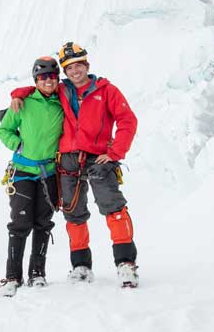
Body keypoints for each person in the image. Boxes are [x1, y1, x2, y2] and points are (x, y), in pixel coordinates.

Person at [10, 42, 139, 288]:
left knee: (113, 206)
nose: (75, 71)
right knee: (73, 212)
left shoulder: (107, 90)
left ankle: (126, 264)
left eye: (79, 65)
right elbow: (38, 88)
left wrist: (114, 153)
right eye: (69, 67)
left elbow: (127, 120)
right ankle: (80, 266)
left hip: (99, 157)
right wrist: (17, 93)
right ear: (65, 72)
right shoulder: (61, 89)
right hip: (68, 159)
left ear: (87, 66)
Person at [0, 56, 64, 297]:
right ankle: (13, 276)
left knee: (43, 223)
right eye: (43, 77)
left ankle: (38, 273)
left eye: (52, 76)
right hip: (23, 171)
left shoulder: (62, 103)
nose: (48, 81)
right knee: (20, 224)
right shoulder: (22, 103)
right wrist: (17, 145)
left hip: (49, 172)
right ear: (36, 80)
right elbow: (4, 129)